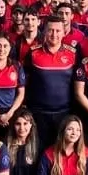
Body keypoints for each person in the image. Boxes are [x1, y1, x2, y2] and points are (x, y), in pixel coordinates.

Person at [24, 18, 78, 149]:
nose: (54, 34)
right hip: (38, 114)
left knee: (61, 150)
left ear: (64, 32)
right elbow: (25, 83)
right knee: (38, 150)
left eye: (58, 31)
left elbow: (77, 85)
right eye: (50, 30)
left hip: (64, 113)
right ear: (44, 32)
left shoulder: (72, 54)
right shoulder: (33, 53)